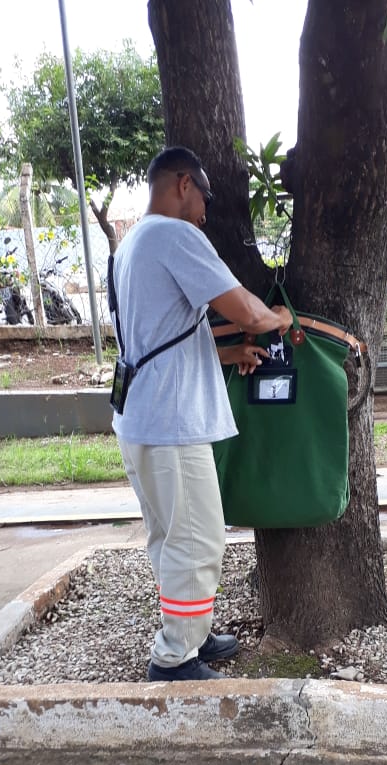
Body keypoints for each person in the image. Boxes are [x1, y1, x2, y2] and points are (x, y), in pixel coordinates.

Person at [111, 145, 292, 681]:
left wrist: (229, 354)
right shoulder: (174, 235)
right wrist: (278, 318)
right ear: (183, 183)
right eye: (206, 198)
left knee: (170, 537)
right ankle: (175, 658)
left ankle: (190, 629)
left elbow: (159, 335)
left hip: (140, 418)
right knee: (198, 539)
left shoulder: (130, 245)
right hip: (172, 423)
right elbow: (247, 311)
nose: (206, 214)